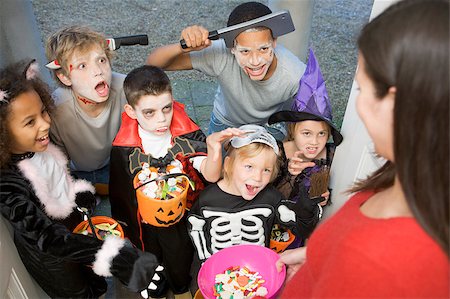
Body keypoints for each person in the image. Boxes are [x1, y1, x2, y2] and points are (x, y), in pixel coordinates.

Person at [276, 0, 449, 297]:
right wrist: (319, 257)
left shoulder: (377, 261)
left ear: (393, 103)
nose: (358, 104)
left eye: (361, 88)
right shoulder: (407, 176)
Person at [0, 59, 164, 299]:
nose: (46, 123)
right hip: (55, 258)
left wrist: (79, 191)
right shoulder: (7, 184)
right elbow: (47, 238)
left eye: (43, 111)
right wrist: (115, 257)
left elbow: (60, 175)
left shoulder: (39, 145)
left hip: (75, 226)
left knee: (95, 280)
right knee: (79, 292)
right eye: (30, 122)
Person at [109, 65, 244, 299]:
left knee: (179, 255)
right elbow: (121, 191)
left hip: (180, 214)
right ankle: (157, 289)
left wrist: (213, 149)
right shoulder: (124, 148)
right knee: (150, 255)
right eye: (149, 112)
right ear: (131, 111)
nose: (162, 119)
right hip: (145, 220)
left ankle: (181, 289)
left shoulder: (185, 135)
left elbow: (210, 175)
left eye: (167, 108)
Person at [187, 124, 321, 295]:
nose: (257, 178)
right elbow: (195, 227)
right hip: (216, 272)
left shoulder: (271, 198)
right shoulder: (207, 199)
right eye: (249, 166)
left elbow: (301, 227)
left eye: (266, 170)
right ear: (228, 165)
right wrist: (205, 259)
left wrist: (306, 211)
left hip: (258, 273)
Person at [146, 1, 306, 141]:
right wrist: (183, 47)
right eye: (245, 51)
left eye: (263, 49)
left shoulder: (294, 74)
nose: (255, 61)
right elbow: (153, 63)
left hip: (269, 124)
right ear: (232, 48)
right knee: (215, 170)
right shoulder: (220, 54)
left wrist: (291, 141)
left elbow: (310, 119)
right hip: (226, 121)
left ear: (274, 42)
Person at [268, 48, 343, 247]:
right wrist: (290, 174)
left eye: (322, 134)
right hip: (279, 222)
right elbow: (268, 193)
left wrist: (327, 195)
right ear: (293, 131)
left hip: (312, 228)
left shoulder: (332, 155)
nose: (314, 142)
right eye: (306, 133)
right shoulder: (280, 151)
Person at [45, 25, 126, 195]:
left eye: (101, 60)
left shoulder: (125, 89)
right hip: (77, 172)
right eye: (82, 66)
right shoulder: (56, 109)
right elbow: (58, 158)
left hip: (117, 163)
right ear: (65, 77)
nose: (98, 71)